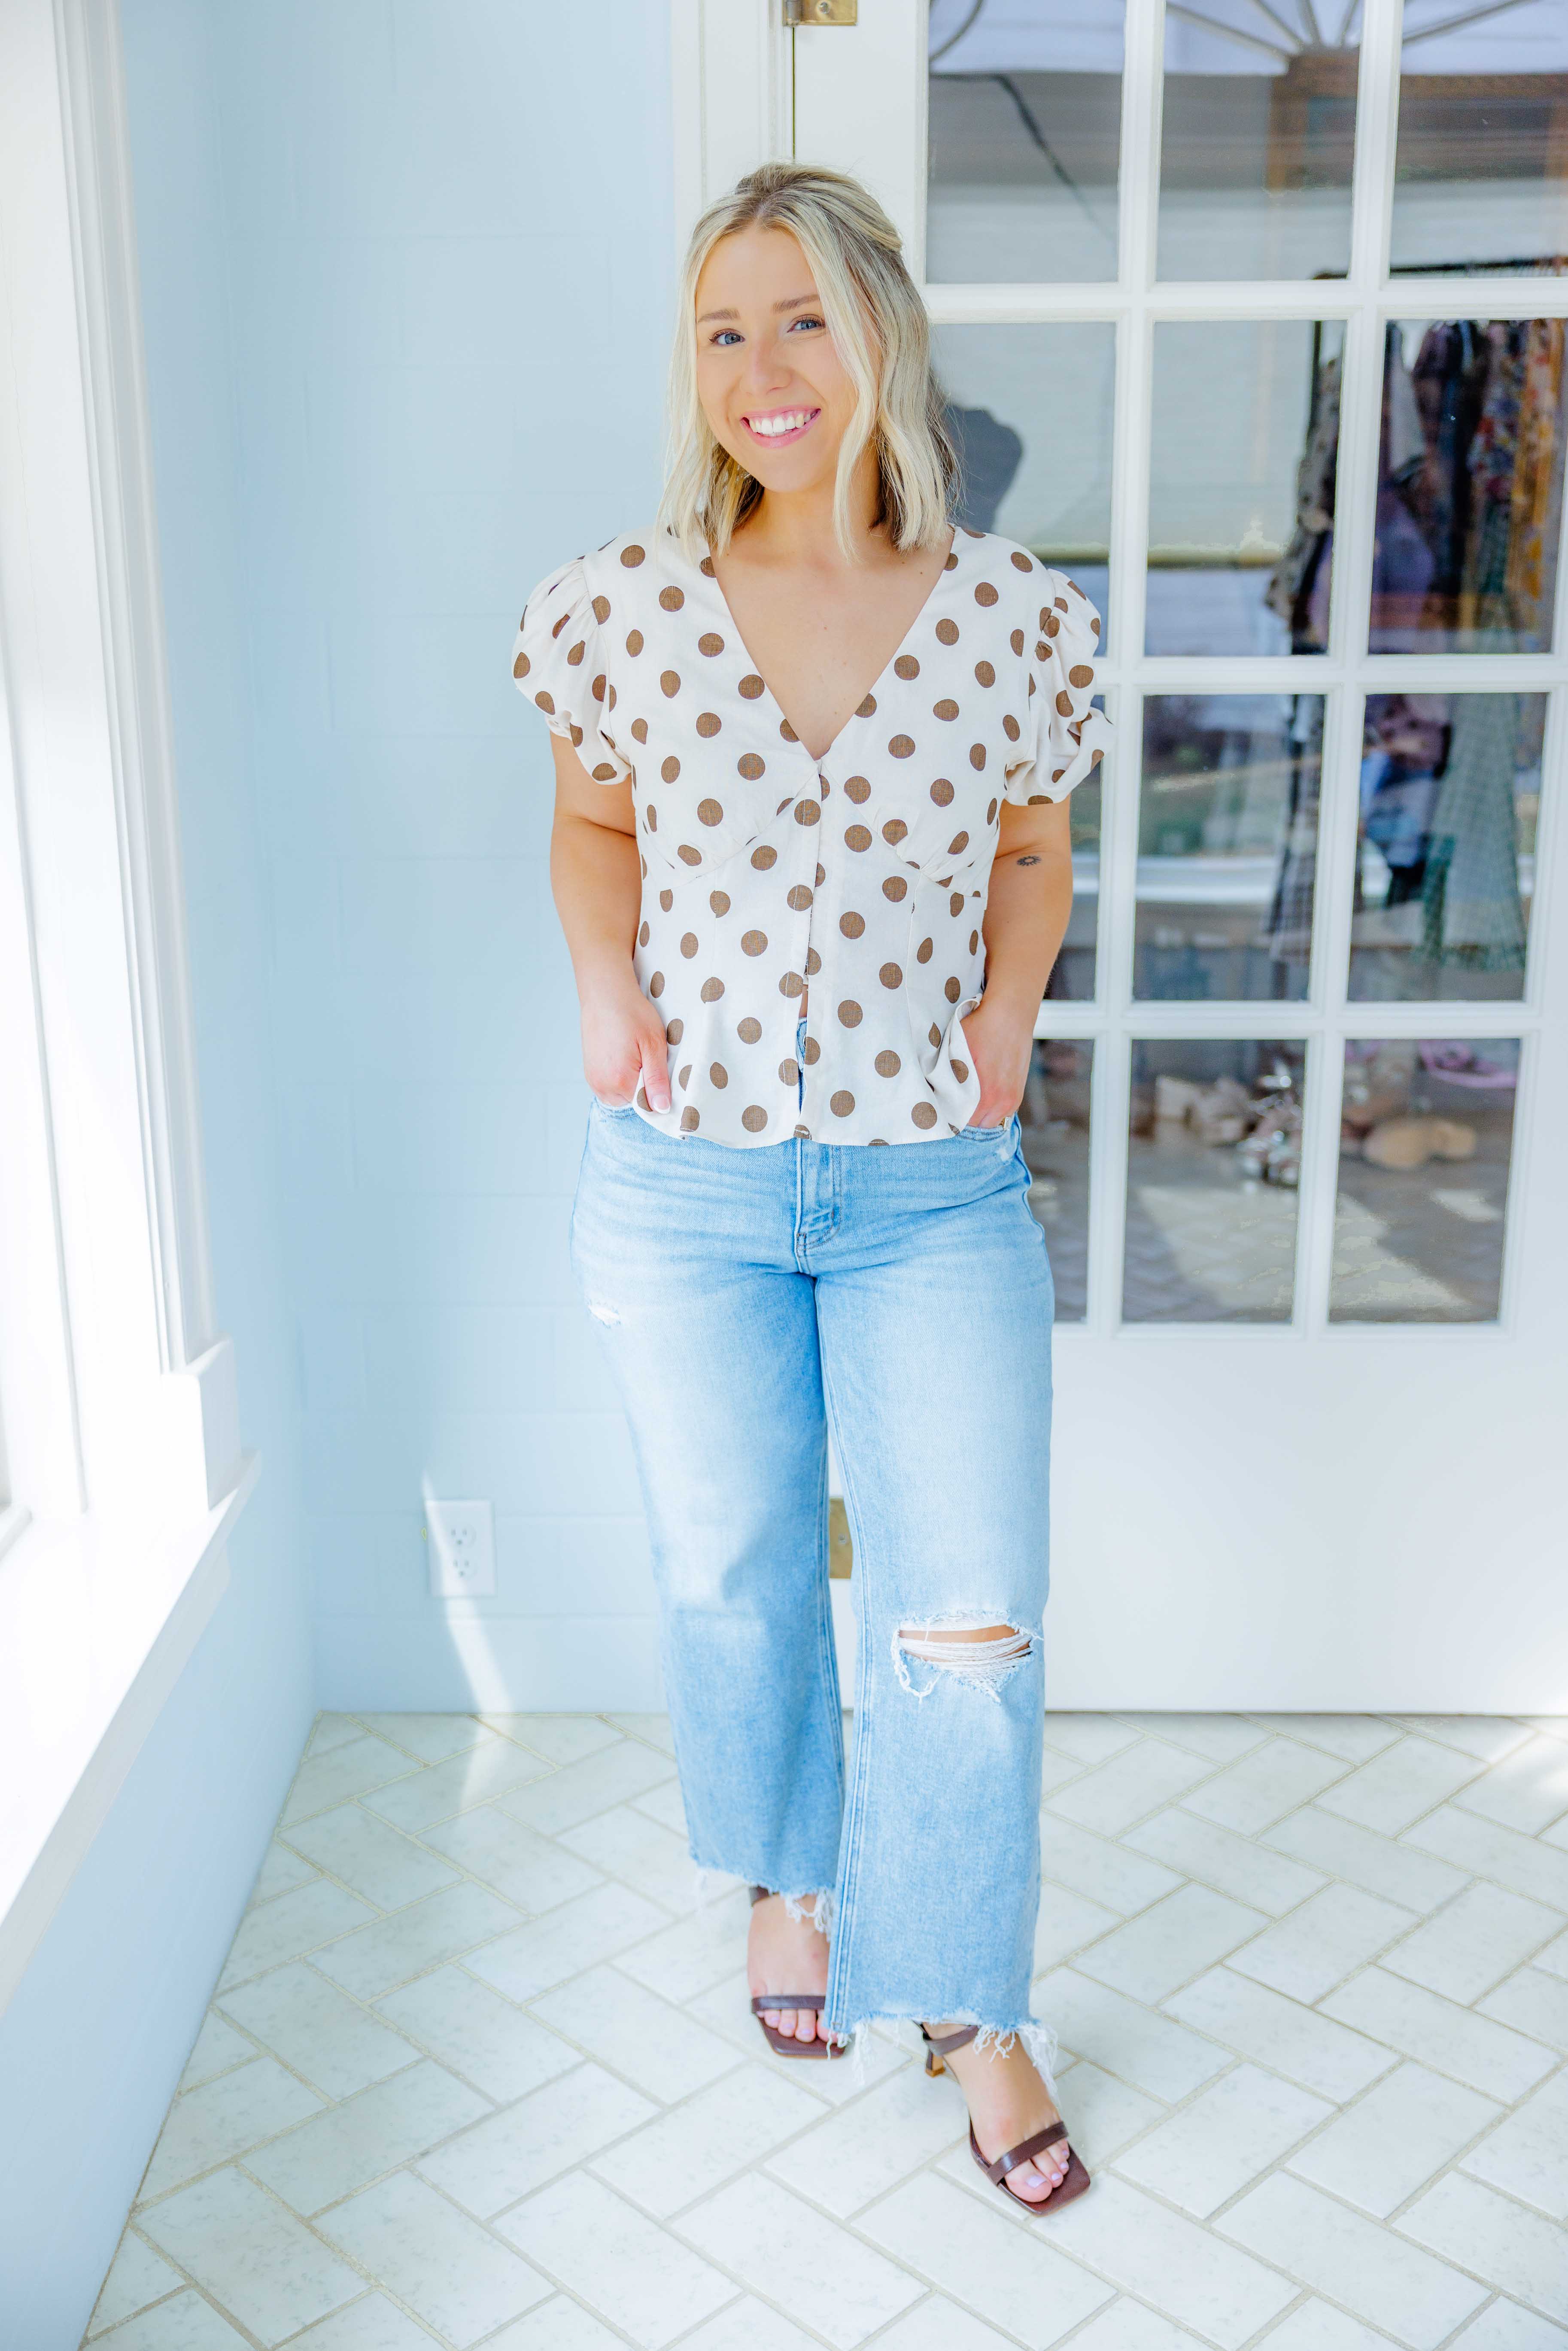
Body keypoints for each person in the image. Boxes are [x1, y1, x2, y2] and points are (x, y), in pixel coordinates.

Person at [511, 161, 1109, 2211]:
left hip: (933, 1191)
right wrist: (604, 984)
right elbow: (594, 826)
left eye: (801, 321)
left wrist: (1011, 1014)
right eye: (722, 330)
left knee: (961, 1624)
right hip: (680, 1189)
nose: (764, 371)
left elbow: (1030, 844)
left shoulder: (1017, 612)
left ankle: (964, 2000)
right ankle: (788, 1876)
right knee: (737, 1574)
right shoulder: (618, 602)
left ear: (880, 340)